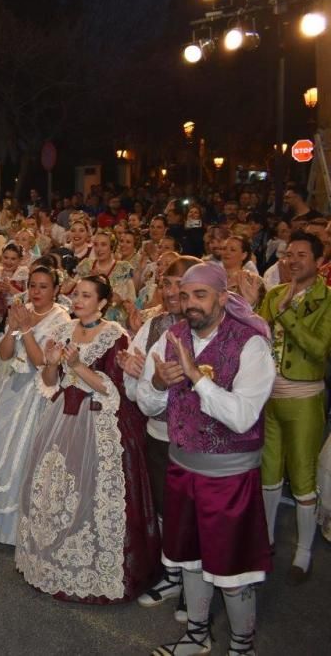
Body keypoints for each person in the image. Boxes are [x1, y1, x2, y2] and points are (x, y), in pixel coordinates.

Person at [137, 262, 274, 656]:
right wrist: (160, 384)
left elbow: (243, 415)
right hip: (182, 468)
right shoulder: (173, 335)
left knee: (233, 572)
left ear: (222, 296)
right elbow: (148, 403)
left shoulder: (250, 343)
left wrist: (197, 378)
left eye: (200, 295)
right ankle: (197, 636)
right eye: (185, 295)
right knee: (190, 560)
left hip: (229, 477)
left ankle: (242, 647)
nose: (190, 303)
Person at [16, 275, 160, 604]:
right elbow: (51, 381)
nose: (77, 300)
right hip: (63, 415)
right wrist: (53, 364)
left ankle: (96, 565)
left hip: (99, 418)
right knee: (58, 486)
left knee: (91, 492)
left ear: (103, 302)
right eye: (76, 294)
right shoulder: (65, 330)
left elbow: (114, 390)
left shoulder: (114, 335)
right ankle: (50, 561)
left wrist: (78, 365)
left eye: (86, 295)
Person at [118, 256, 202, 619]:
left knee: (194, 515)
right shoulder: (152, 326)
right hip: (158, 432)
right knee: (165, 510)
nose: (172, 292)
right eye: (167, 284)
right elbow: (134, 388)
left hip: (197, 439)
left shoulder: (209, 329)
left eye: (180, 285)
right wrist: (133, 373)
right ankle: (173, 576)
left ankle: (196, 587)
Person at [0, 266, 71, 542]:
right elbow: (5, 353)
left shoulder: (61, 318)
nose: (36, 291)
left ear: (56, 290)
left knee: (20, 455)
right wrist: (11, 330)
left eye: (44, 286)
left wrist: (26, 329)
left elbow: (42, 364)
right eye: (33, 285)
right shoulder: (22, 309)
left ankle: (15, 521)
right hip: (9, 387)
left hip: (36, 392)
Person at [257, 231, 331, 585]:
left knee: (302, 476)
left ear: (318, 261)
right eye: (289, 254)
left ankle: (303, 551)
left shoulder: (327, 300)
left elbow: (319, 349)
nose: (293, 260)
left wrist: (286, 316)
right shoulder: (272, 295)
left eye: (302, 254)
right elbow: (255, 338)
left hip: (304, 396)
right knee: (268, 472)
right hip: (269, 395)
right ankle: (267, 540)